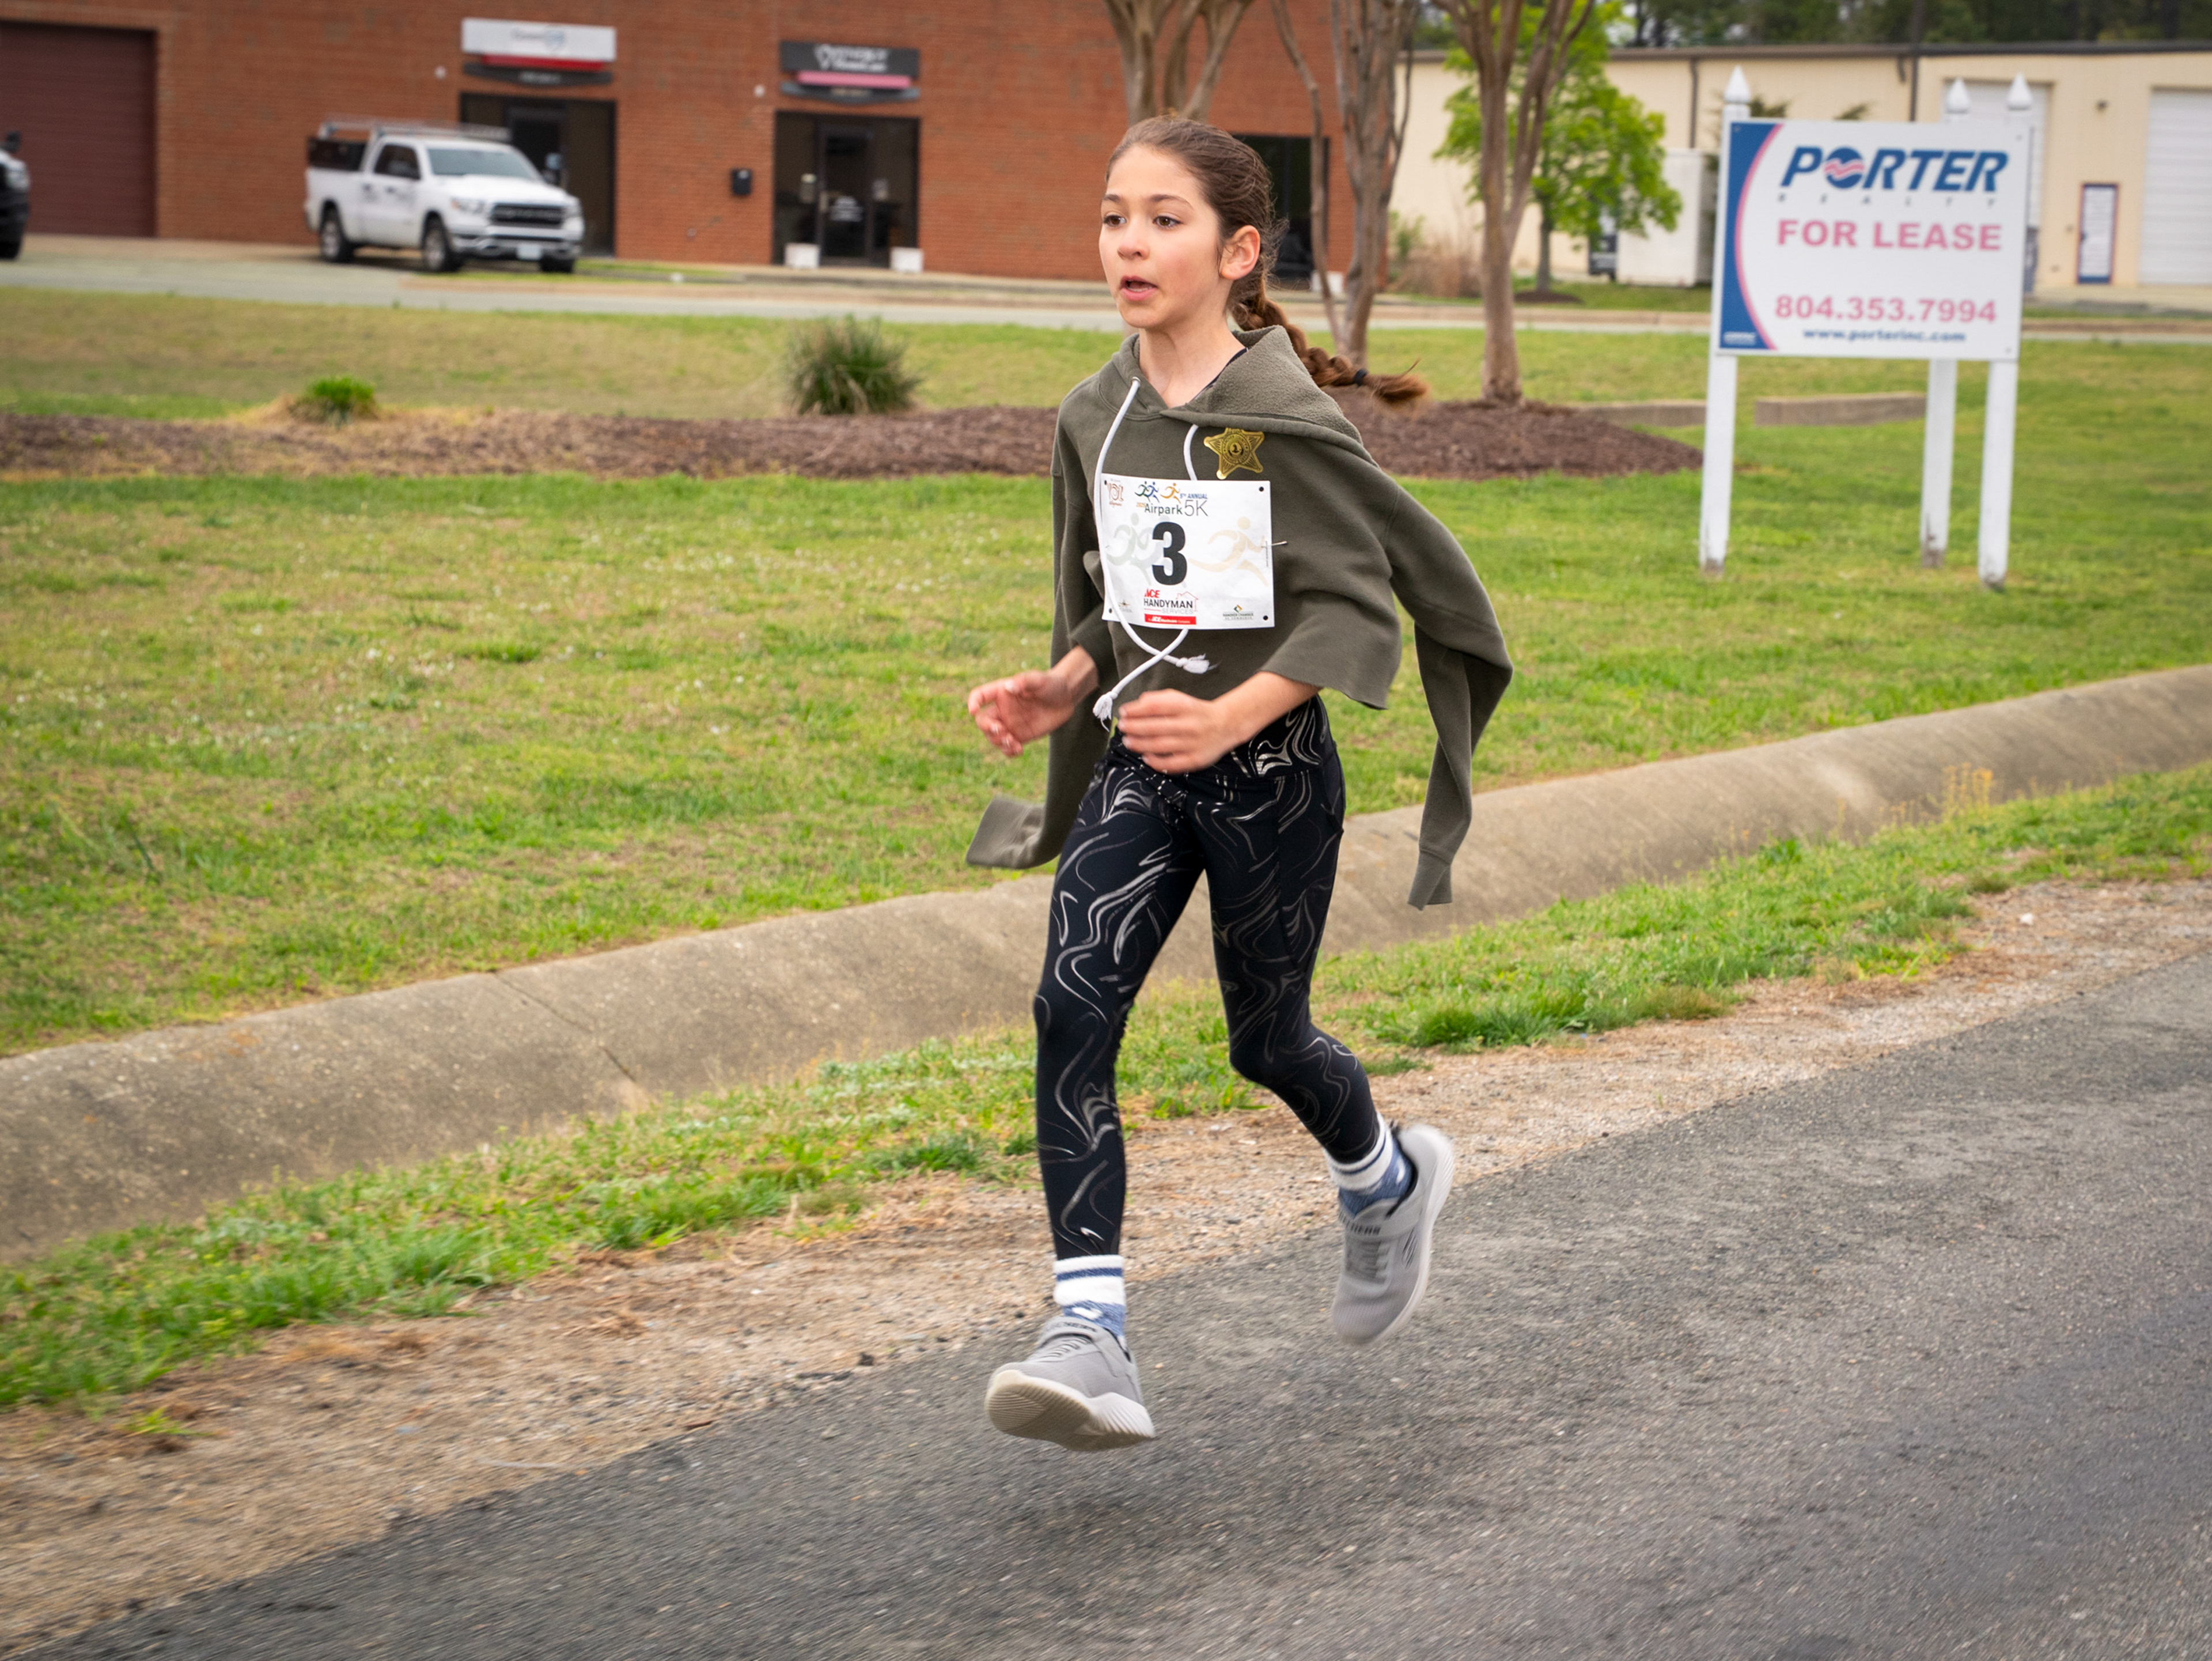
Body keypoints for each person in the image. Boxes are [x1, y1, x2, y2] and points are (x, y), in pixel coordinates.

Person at [964, 118, 1512, 1453]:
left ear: (1237, 251)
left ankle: (1386, 1178)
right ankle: (1090, 1331)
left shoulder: (1276, 419)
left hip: (1271, 776)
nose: (1130, 243)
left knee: (1268, 1040)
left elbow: (1349, 615)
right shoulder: (1094, 412)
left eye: (1164, 219)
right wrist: (1063, 682)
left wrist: (1230, 719)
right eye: (1114, 216)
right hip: (1146, 768)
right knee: (1069, 1007)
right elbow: (1121, 601)